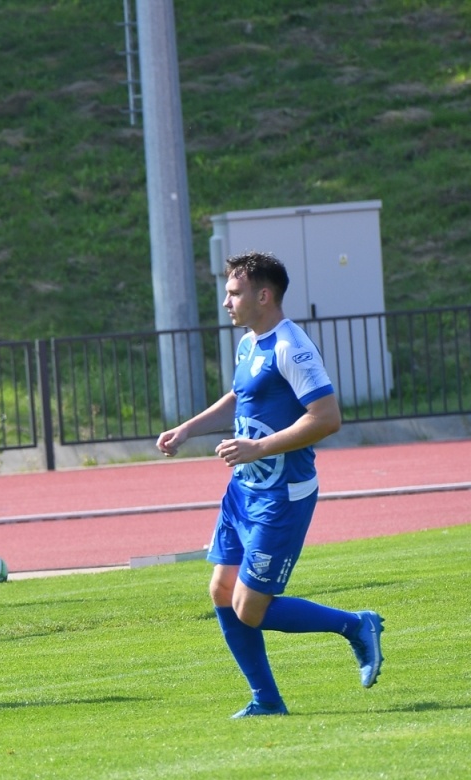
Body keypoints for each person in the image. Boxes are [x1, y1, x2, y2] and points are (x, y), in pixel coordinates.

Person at [156, 251, 384, 717]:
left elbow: (327, 418)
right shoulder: (248, 343)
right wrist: (188, 429)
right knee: (221, 591)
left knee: (250, 608)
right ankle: (267, 701)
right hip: (244, 492)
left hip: (282, 496)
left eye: (234, 292)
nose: (226, 302)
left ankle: (356, 626)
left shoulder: (291, 347)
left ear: (264, 295)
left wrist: (259, 449)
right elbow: (242, 396)